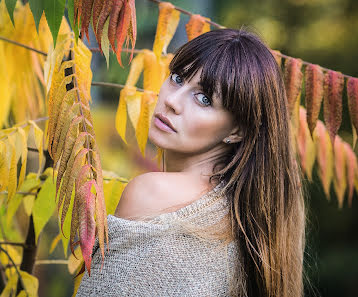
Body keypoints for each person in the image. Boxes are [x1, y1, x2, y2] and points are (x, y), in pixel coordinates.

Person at [76, 27, 307, 297]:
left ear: (238, 131)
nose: (171, 101)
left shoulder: (152, 194)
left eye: (204, 99)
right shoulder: (250, 222)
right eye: (177, 78)